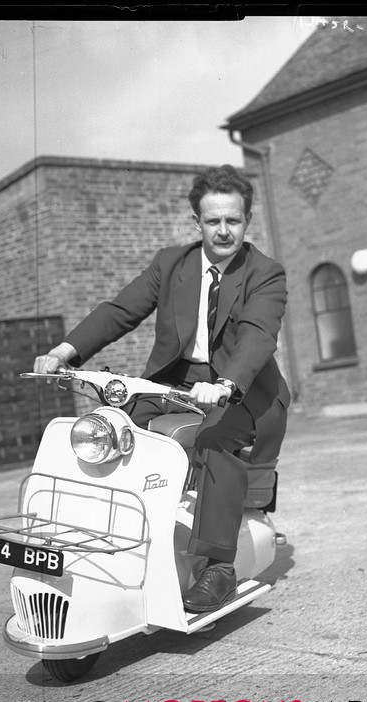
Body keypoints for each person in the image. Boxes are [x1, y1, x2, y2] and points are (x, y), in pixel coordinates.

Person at [34, 164, 290, 613]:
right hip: (177, 381)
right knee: (110, 428)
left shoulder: (265, 274)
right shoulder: (172, 263)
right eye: (213, 221)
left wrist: (226, 384)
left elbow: (256, 335)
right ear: (197, 223)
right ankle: (101, 537)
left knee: (215, 438)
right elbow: (119, 311)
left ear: (246, 221)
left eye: (233, 220)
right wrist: (63, 352)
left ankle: (218, 566)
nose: (224, 231)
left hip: (245, 389)